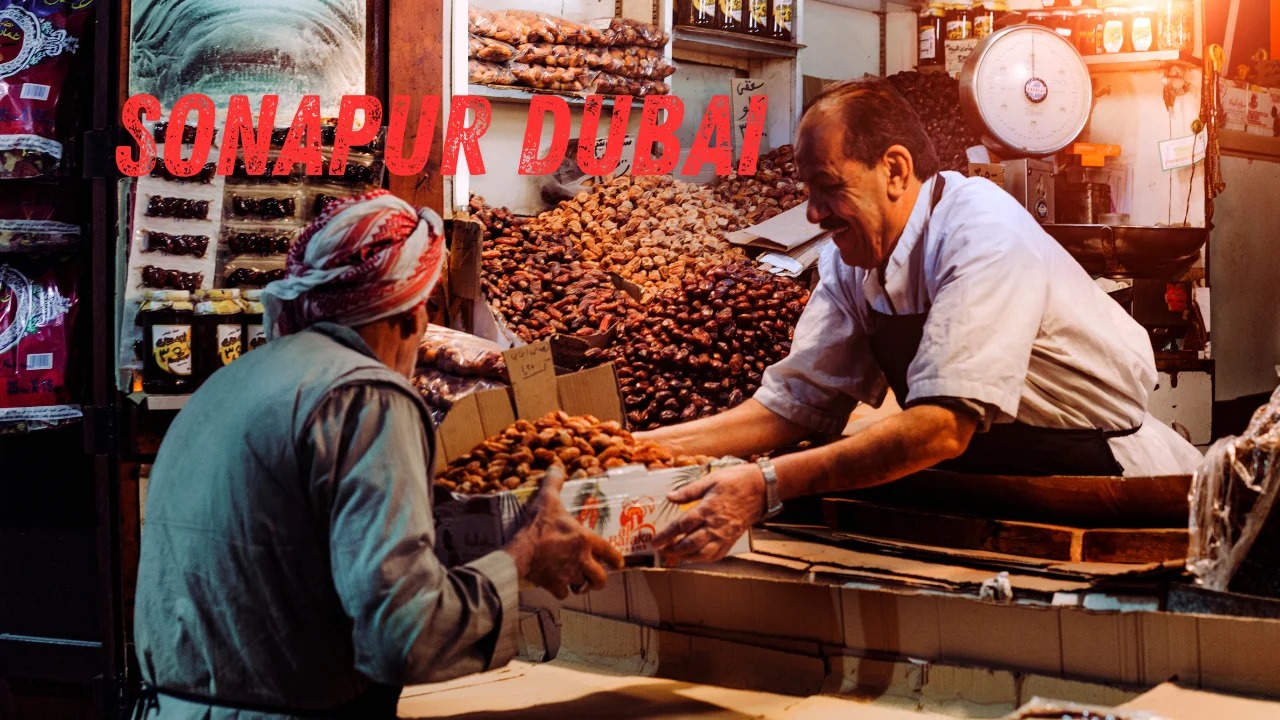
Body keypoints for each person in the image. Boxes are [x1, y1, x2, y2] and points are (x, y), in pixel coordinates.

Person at [643, 78, 1202, 565]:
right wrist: (639, 449)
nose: (812, 213)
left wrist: (766, 484)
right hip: (985, 484)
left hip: (1098, 481)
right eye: (807, 191)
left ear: (894, 169)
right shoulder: (849, 259)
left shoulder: (978, 231)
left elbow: (941, 427)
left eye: (828, 186)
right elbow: (794, 405)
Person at [132, 191, 623, 719]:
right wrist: (524, 556)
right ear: (412, 317)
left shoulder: (225, 385)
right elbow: (405, 634)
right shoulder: (366, 395)